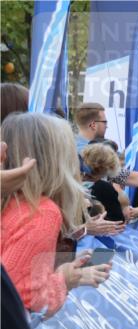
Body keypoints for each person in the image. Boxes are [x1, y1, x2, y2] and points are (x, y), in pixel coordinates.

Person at [1, 113, 111, 316]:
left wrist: (55, 264)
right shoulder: (41, 212)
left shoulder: (9, 201)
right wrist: (64, 279)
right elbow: (20, 302)